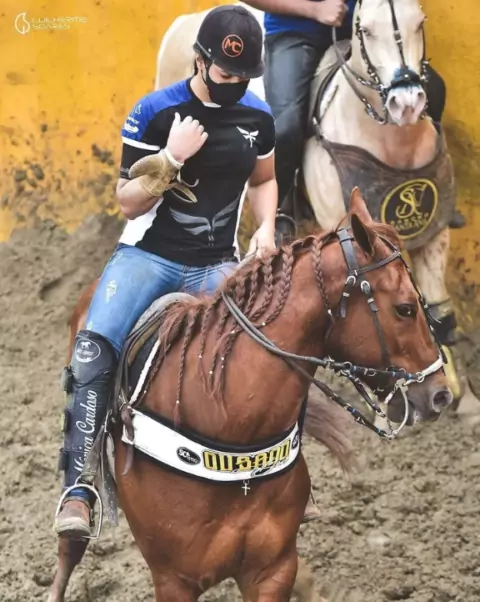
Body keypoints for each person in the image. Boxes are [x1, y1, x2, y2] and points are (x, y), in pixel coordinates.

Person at [53, 4, 279, 540]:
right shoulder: (154, 112)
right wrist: (172, 159)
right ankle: (79, 487)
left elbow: (265, 179)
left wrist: (267, 227)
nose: (235, 84)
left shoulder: (258, 118)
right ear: (200, 61)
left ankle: (278, 479)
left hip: (216, 263)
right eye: (225, 73)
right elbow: (128, 201)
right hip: (148, 257)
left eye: (244, 76)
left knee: (271, 349)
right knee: (93, 347)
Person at [242, 0, 465, 243]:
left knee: (435, 90)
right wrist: (315, 10)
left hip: (362, 29)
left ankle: (438, 191)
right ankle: (278, 211)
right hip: (294, 33)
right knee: (286, 127)